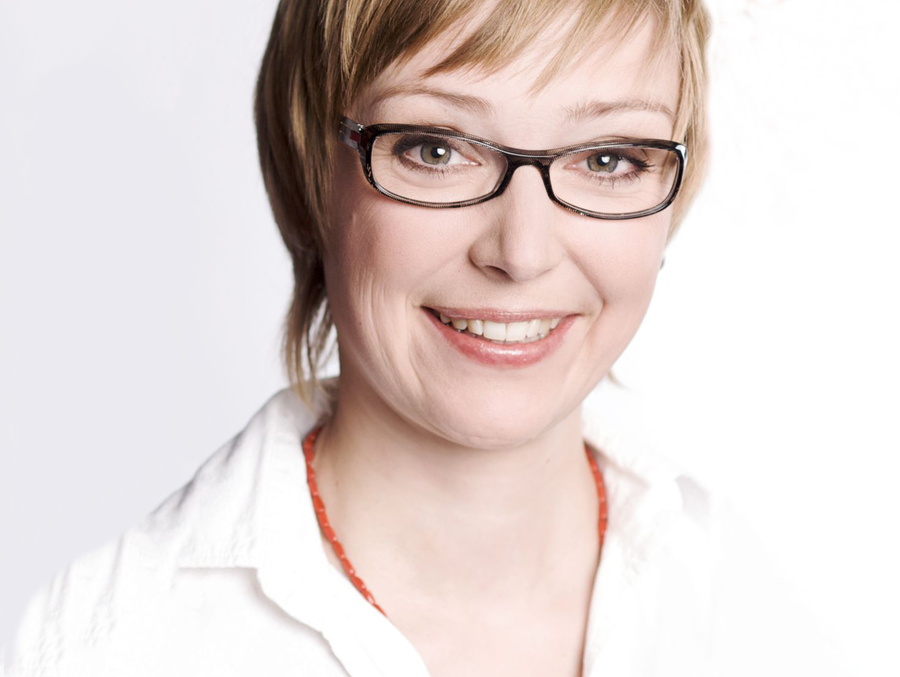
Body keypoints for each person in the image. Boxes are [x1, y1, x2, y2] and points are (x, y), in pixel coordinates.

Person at [7, 0, 795, 675]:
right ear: (312, 170)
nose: (521, 253)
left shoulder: (745, 608)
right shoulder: (102, 645)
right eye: (435, 149)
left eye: (608, 158)